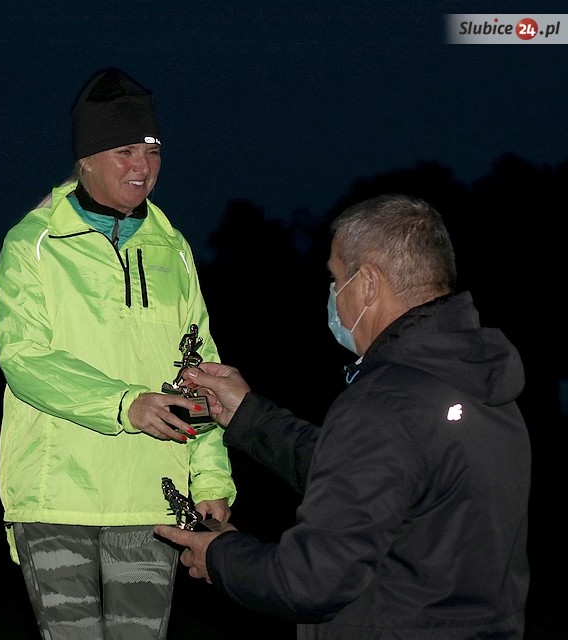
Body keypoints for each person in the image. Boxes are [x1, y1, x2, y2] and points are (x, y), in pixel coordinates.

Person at [155, 194, 531, 639]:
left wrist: (220, 555)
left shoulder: (386, 400)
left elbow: (310, 581)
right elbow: (372, 476)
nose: (333, 295)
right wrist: (247, 415)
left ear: (367, 283)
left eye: (336, 279)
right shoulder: (480, 384)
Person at [0, 67, 237, 640]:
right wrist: (125, 404)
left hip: (152, 495)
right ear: (86, 159)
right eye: (125, 150)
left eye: (152, 150)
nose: (143, 166)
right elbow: (24, 359)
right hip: (56, 496)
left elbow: (201, 370)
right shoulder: (32, 243)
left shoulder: (173, 249)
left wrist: (211, 479)